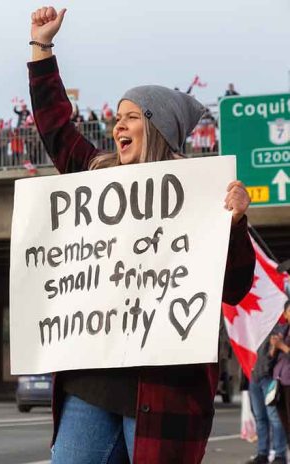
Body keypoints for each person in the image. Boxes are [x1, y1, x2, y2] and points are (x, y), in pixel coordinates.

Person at [28, 7, 255, 463]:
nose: (117, 127)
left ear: (156, 127)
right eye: (116, 117)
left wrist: (234, 224)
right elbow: (56, 128)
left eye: (130, 117)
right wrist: (41, 47)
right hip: (90, 384)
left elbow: (234, 289)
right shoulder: (94, 180)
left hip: (164, 390)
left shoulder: (202, 195)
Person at [248, 329, 287, 464]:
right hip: (253, 376)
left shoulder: (274, 325)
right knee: (260, 418)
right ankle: (262, 453)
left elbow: (275, 353)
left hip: (268, 377)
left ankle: (280, 454)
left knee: (274, 418)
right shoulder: (251, 325)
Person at [270, 301, 290, 449]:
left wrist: (282, 346)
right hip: (280, 379)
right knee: (284, 420)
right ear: (285, 314)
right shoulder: (284, 330)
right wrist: (274, 347)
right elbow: (274, 356)